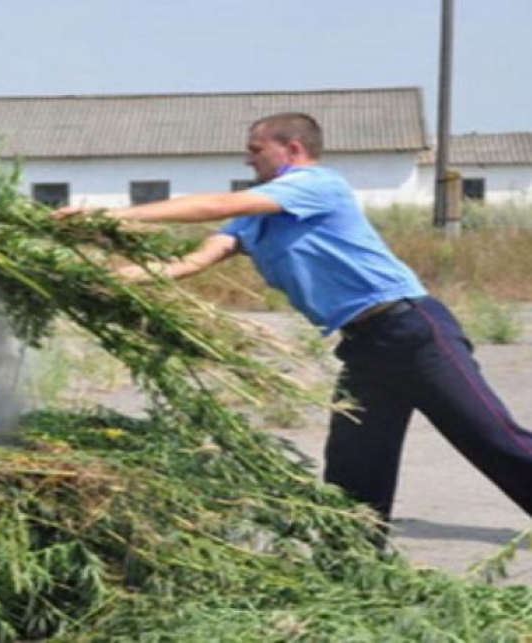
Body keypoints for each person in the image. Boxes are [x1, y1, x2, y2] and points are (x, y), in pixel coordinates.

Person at [53, 111, 532, 525]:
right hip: (364, 349)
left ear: (293, 148)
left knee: (492, 438)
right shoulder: (251, 222)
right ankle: (352, 574)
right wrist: (101, 279)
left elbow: (216, 204)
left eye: (255, 149)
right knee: (353, 468)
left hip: (413, 330)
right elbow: (188, 264)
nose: (247, 160)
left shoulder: (319, 185)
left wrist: (109, 215)